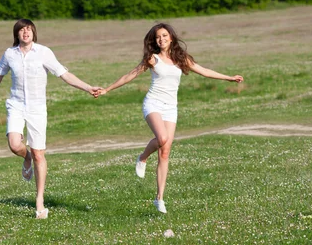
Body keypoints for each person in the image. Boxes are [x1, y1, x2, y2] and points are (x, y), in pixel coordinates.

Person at [94, 23, 243, 214]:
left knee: (165, 153)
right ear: (155, 41)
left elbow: (204, 70)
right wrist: (107, 89)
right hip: (153, 104)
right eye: (158, 37)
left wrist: (229, 78)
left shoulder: (181, 59)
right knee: (162, 138)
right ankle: (142, 158)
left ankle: (159, 199)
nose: (161, 39)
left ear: (171, 38)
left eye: (164, 36)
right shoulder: (152, 59)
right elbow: (129, 75)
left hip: (171, 108)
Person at [0, 19, 100, 219]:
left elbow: (64, 74)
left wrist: (88, 87)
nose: (25, 32)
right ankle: (26, 157)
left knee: (40, 154)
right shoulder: (9, 54)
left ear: (34, 32)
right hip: (16, 105)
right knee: (14, 145)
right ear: (17, 35)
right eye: (21, 30)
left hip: (37, 109)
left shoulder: (44, 52)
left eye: (28, 29)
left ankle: (39, 201)